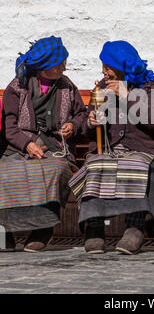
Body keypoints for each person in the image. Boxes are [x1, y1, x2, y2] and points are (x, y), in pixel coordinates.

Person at [69, 40, 154, 255]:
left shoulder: (146, 87)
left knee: (136, 164)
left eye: (108, 67)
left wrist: (126, 96)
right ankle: (93, 226)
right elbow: (87, 125)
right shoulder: (101, 89)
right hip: (109, 150)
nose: (104, 72)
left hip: (142, 149)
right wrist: (90, 122)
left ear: (122, 66)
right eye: (103, 67)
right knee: (96, 165)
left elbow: (152, 121)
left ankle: (135, 228)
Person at [0, 36, 86, 252]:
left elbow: (82, 115)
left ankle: (43, 230)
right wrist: (27, 144)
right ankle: (5, 232)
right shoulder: (16, 88)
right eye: (60, 63)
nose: (64, 67)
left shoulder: (67, 86)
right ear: (44, 68)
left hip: (55, 149)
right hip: (20, 148)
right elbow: (9, 128)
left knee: (55, 171)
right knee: (5, 173)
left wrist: (72, 125)